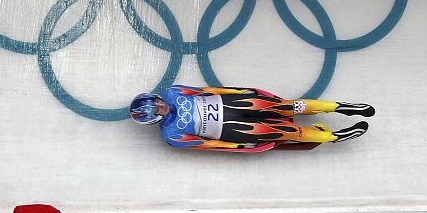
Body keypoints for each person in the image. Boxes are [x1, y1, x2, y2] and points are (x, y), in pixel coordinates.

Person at [130, 85, 374, 151]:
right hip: (231, 130)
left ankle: (340, 107)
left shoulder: (174, 91)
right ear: (153, 120)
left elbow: (206, 91)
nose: (161, 106)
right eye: (156, 111)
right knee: (284, 132)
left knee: (286, 106)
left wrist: (236, 92)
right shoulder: (171, 135)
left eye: (157, 102)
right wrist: (237, 146)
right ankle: (334, 136)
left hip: (234, 103)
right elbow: (208, 145)